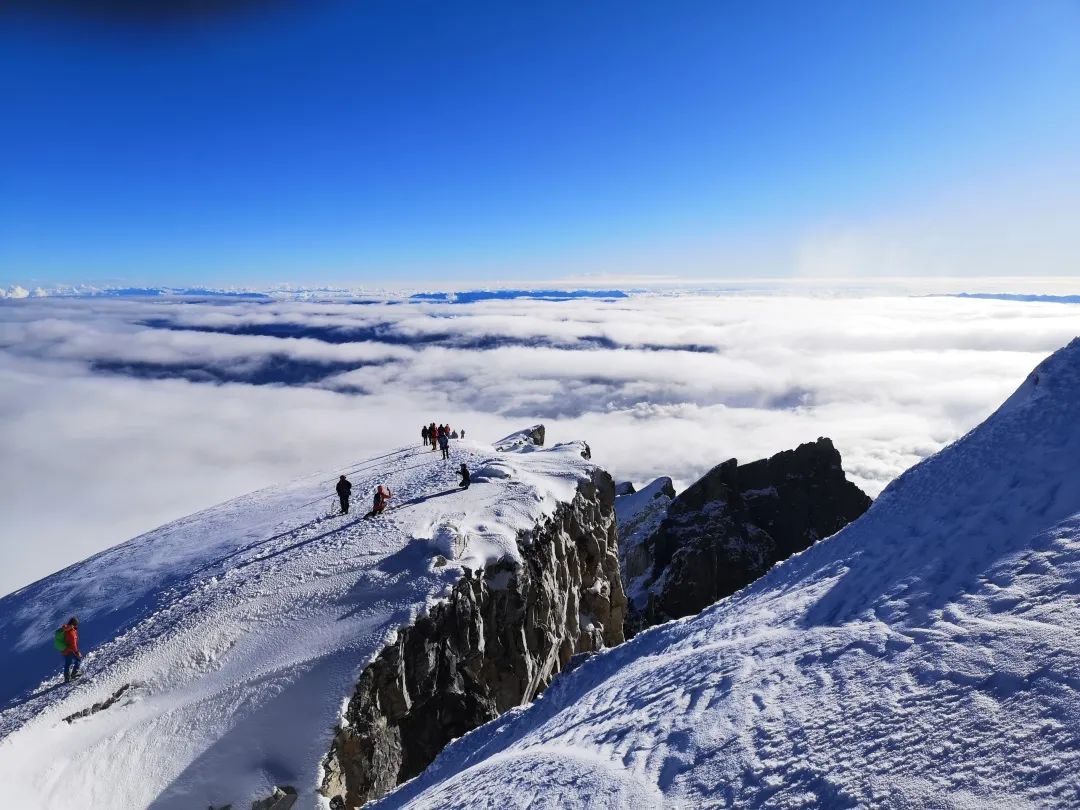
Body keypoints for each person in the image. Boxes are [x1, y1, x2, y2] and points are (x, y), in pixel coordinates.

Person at [57, 617, 81, 683]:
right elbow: (73, 643)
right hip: (70, 650)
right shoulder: (71, 631)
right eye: (76, 624)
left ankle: (67, 678)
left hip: (65, 650)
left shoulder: (67, 630)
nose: (77, 625)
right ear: (74, 623)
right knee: (78, 659)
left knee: (68, 663)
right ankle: (74, 673)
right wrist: (76, 652)